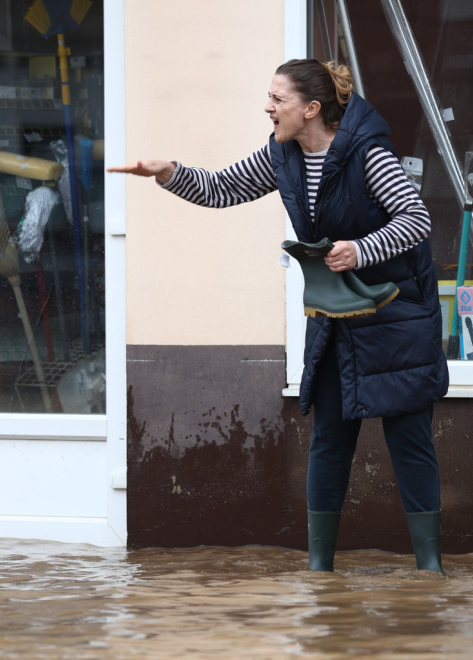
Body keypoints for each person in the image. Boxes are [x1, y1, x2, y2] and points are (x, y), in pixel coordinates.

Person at [108, 59, 449, 572]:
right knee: (330, 439)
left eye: (277, 98)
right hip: (338, 316)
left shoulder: (368, 153)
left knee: (409, 441)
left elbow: (417, 220)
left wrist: (361, 249)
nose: (267, 107)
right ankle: (319, 571)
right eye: (268, 97)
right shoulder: (282, 156)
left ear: (311, 109)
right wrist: (168, 173)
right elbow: (223, 188)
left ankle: (430, 569)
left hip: (396, 313)